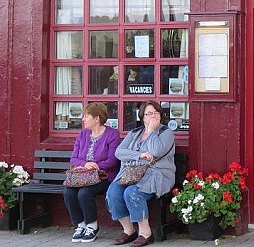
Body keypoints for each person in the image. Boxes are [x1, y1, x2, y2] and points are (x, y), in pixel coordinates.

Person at [106, 100, 175, 247]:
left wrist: (151, 131)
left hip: (157, 175)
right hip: (132, 174)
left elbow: (156, 151)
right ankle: (129, 231)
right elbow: (119, 152)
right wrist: (140, 155)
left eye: (156, 113)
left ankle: (146, 233)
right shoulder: (134, 133)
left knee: (131, 193)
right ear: (142, 116)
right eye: (149, 113)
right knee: (113, 192)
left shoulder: (166, 133)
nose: (153, 116)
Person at [63, 101, 121, 243]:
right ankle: (80, 225)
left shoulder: (112, 135)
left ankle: (92, 226)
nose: (83, 119)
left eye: (86, 116)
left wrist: (95, 166)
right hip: (82, 175)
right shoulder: (83, 134)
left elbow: (113, 161)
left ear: (97, 118)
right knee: (68, 191)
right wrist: (85, 164)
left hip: (104, 176)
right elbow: (74, 158)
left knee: (84, 193)